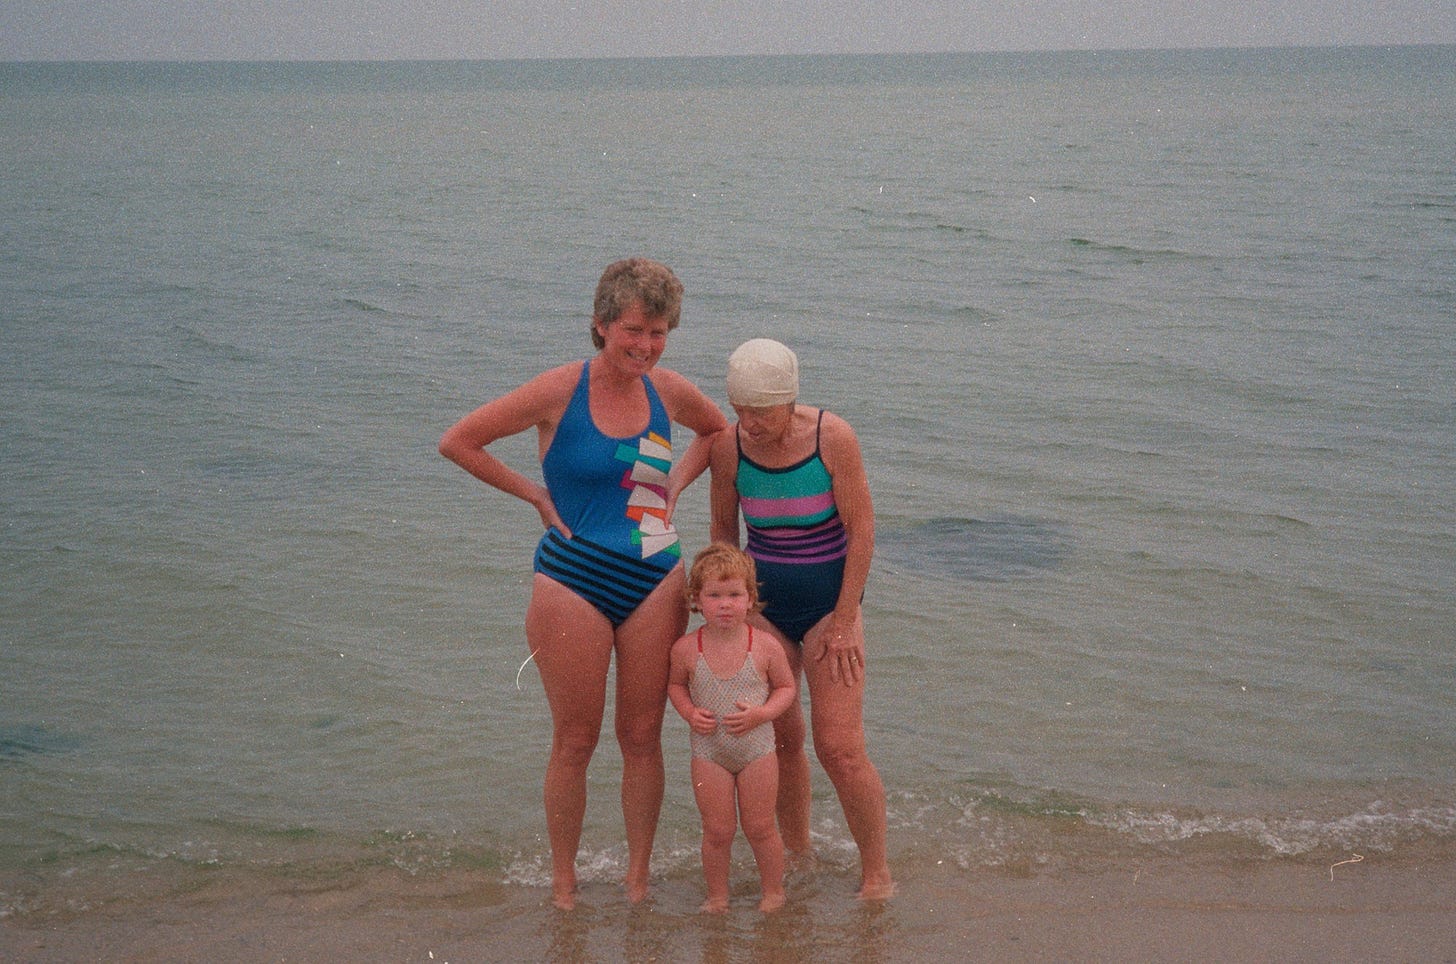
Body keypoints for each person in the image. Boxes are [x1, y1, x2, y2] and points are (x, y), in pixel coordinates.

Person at [438, 258, 728, 909]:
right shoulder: (557, 391)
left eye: (659, 334)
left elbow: (715, 432)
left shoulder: (669, 390)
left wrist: (675, 486)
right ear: (600, 325)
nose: (645, 347)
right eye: (633, 331)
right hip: (571, 578)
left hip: (655, 573)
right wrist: (534, 496)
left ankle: (637, 880)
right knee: (575, 739)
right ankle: (564, 884)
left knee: (642, 736)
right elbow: (459, 441)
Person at [708, 337, 895, 900]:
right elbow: (724, 536)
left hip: (828, 609)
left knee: (839, 747)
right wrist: (729, 614)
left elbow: (862, 532)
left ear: (789, 401)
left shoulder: (831, 438)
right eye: (739, 410)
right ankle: (798, 855)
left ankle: (877, 871)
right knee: (779, 742)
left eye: (760, 411)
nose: (749, 423)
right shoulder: (728, 447)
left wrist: (844, 619)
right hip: (763, 612)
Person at [667, 543, 797, 913]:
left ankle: (773, 891)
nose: (725, 604)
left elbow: (786, 689)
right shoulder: (687, 649)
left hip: (757, 750)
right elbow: (675, 686)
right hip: (709, 752)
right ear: (697, 600)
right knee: (718, 831)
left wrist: (762, 713)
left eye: (735, 594)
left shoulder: (766, 646)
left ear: (750, 597)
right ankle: (718, 896)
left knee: (760, 827)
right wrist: (689, 712)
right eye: (715, 595)